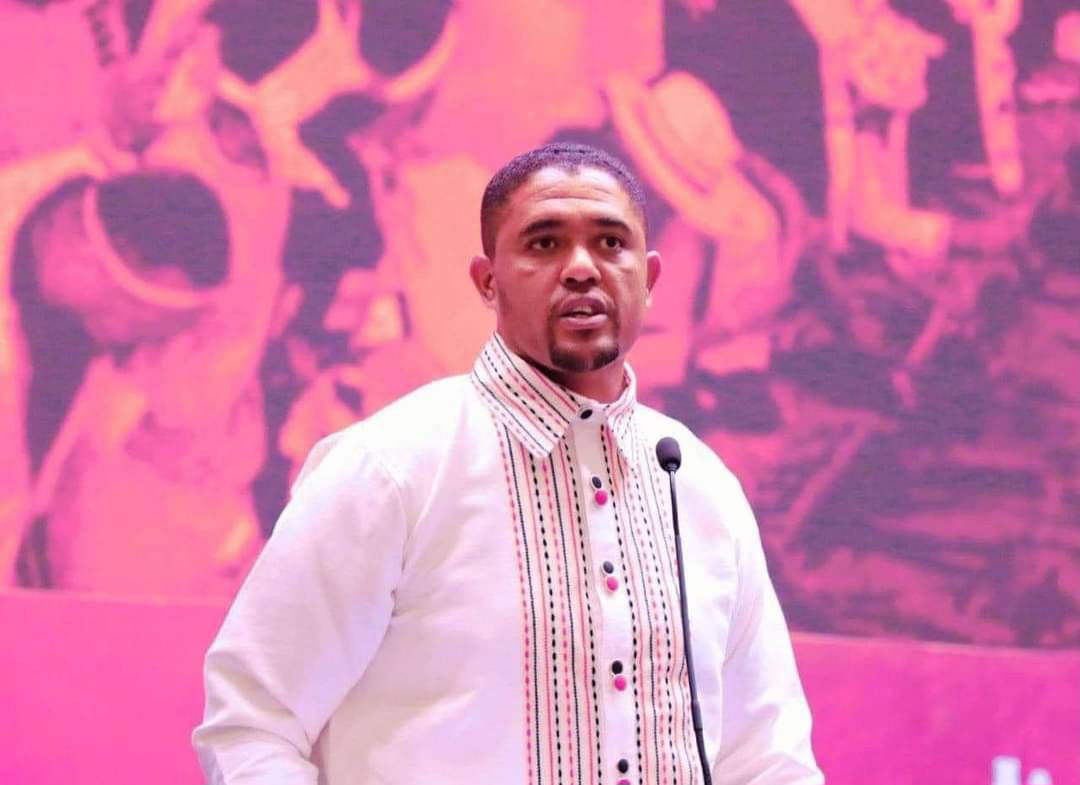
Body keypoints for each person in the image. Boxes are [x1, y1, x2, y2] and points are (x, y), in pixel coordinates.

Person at [194, 142, 823, 784]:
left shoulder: (701, 487)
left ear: (649, 279)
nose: (582, 268)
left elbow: (768, 760)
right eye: (545, 244)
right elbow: (252, 724)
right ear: (487, 281)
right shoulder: (393, 469)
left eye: (611, 244)